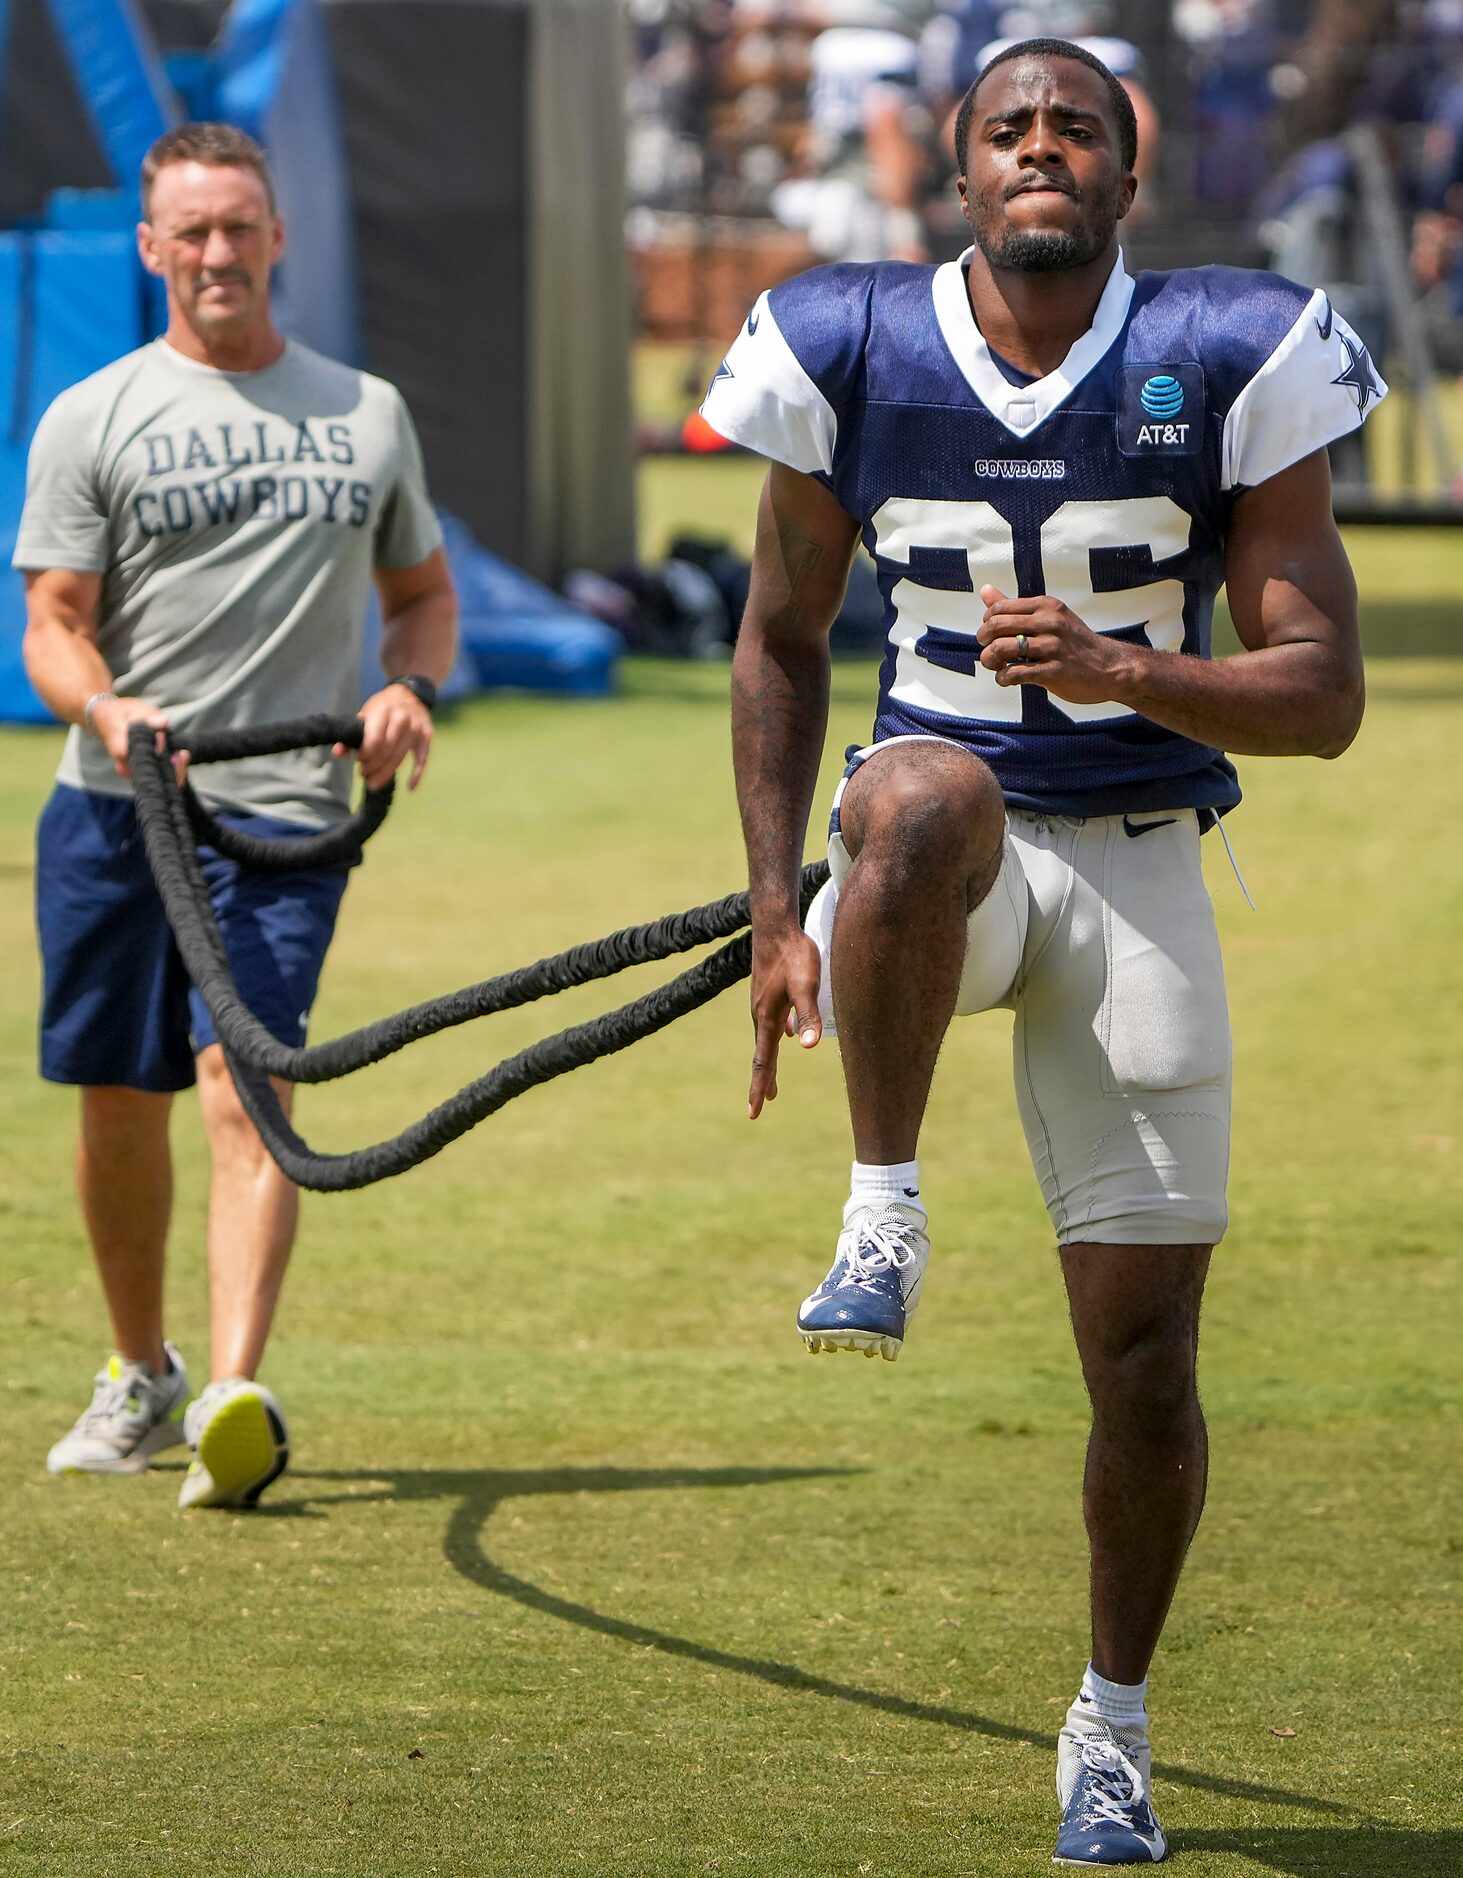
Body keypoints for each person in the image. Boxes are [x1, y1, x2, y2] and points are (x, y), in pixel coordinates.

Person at [703, 38, 1382, 1866]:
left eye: (1075, 127)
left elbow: (1323, 695)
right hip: (939, 867)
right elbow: (778, 639)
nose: (1041, 151)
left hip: (1141, 854)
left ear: (1126, 170)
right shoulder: (849, 337)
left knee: (1148, 1360)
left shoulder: (1233, 349)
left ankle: (1114, 1724)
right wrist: (778, 912)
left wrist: (1124, 671)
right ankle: (883, 1203)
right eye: (1009, 127)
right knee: (920, 792)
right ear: (955, 162)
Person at [18, 123, 457, 1512]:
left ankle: (231, 1393)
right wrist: (109, 712)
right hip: (115, 813)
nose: (219, 252)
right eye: (192, 231)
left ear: (280, 237)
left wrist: (411, 687)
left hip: (284, 823)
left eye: (240, 226)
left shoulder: (365, 412)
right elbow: (53, 625)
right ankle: (140, 1366)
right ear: (151, 248)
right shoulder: (91, 415)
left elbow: (422, 594)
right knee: (120, 1101)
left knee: (242, 1083)